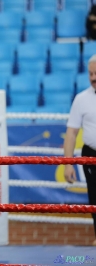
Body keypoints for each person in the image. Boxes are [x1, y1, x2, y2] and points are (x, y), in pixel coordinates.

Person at [63, 54, 96, 246]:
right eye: (90, 73)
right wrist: (68, 164)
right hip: (90, 154)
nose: (93, 77)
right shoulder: (81, 98)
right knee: (94, 198)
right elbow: (71, 133)